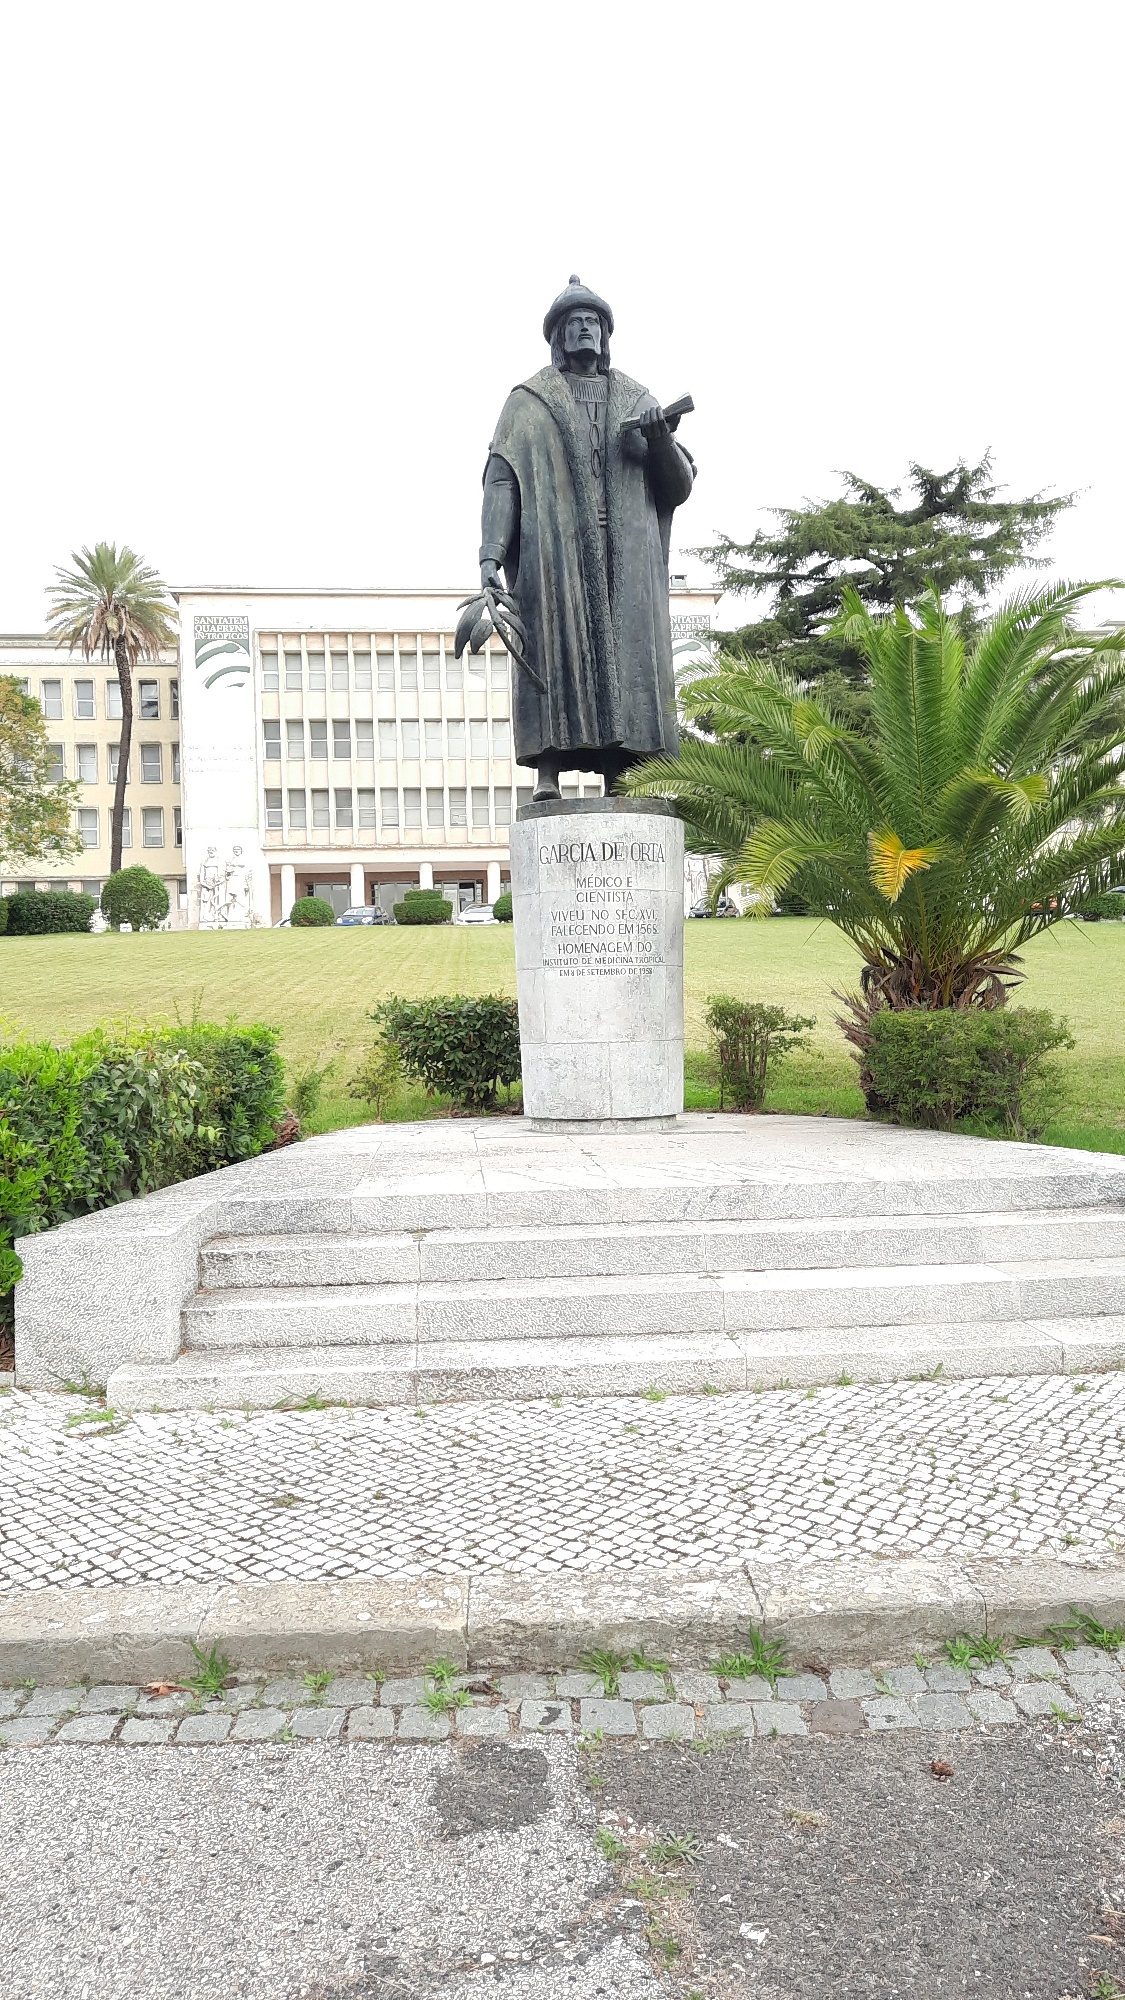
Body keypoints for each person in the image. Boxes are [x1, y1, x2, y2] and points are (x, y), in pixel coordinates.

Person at [474, 276, 695, 801]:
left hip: (628, 560)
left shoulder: (639, 399)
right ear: (557, 337)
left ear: (605, 333)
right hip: (556, 552)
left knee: (626, 663)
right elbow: (501, 479)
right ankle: (547, 771)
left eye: (592, 322)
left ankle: (622, 768)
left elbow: (678, 487)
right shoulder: (528, 403)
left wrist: (659, 439)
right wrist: (491, 554)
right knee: (553, 655)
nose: (583, 329)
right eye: (572, 322)